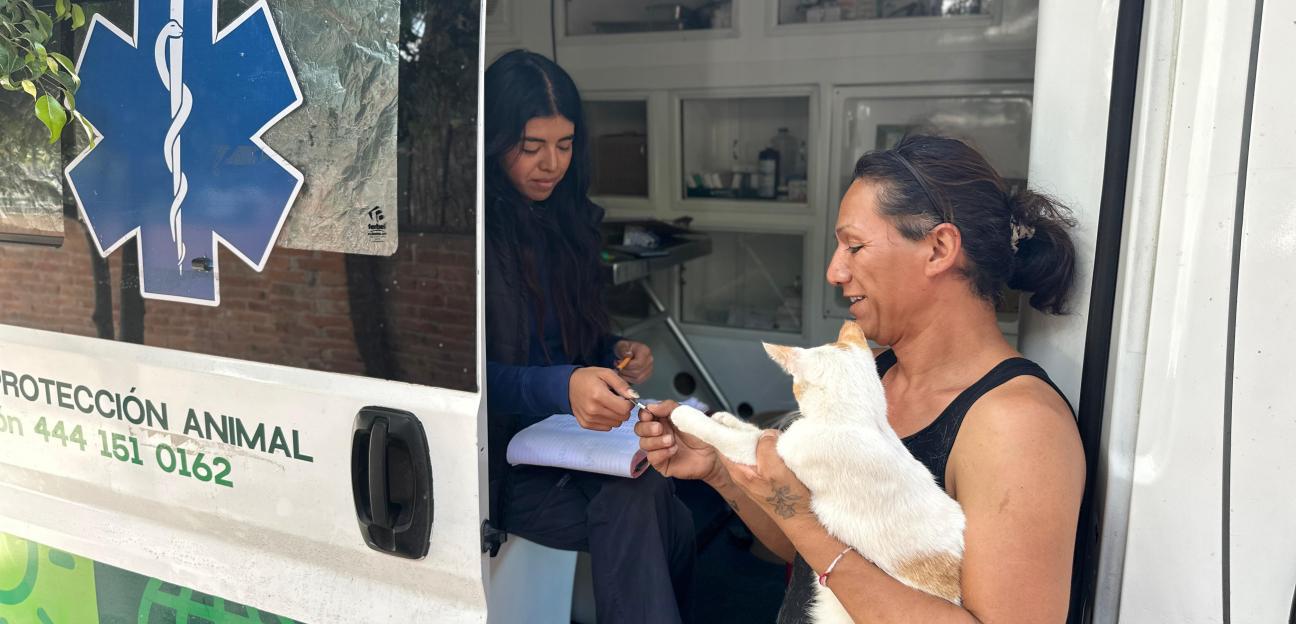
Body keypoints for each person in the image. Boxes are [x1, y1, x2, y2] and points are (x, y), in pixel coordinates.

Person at [638, 135, 1085, 623]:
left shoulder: (1018, 426)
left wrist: (798, 518)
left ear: (939, 248)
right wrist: (720, 472)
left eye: (854, 245)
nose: (834, 270)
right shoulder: (875, 372)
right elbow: (813, 557)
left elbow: (815, 537)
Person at [483, 49, 695, 624]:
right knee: (656, 507)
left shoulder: (569, 220)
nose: (550, 164)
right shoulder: (471, 237)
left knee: (658, 491)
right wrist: (564, 386)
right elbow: (467, 380)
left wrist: (615, 355)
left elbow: (574, 340)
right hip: (500, 464)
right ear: (492, 140)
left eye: (565, 144)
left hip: (573, 443)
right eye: (530, 147)